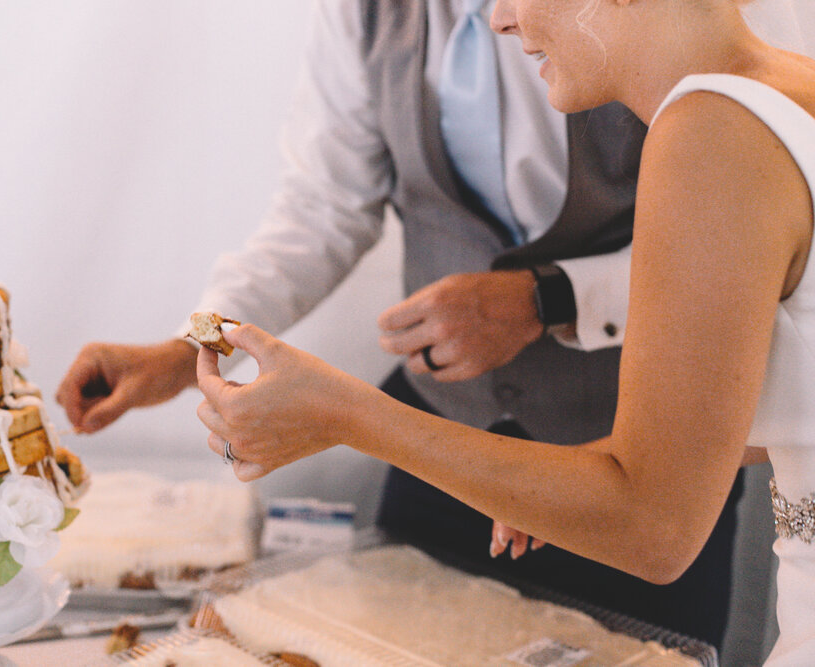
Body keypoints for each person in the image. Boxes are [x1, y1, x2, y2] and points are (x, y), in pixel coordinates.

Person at [56, 0, 809, 649]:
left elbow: (654, 527)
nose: (500, 17)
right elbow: (320, 206)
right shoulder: (790, 90)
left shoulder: (711, 131)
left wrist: (342, 411)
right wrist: (552, 484)